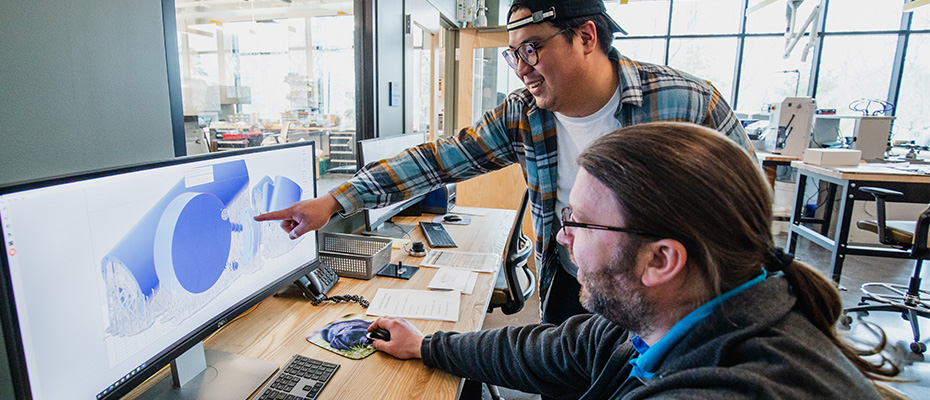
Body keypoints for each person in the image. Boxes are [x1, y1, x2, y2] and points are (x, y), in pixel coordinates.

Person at [255, 0, 754, 325]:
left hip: (676, 301)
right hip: (576, 288)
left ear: (585, 36)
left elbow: (748, 214)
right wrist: (338, 198)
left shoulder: (688, 103)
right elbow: (438, 160)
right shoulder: (523, 117)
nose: (521, 69)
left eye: (532, 49)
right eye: (513, 54)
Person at [366, 122, 891, 399]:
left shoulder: (736, 388)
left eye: (581, 224)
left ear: (661, 259)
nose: (564, 240)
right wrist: (429, 345)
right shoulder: (671, 314)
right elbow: (553, 349)